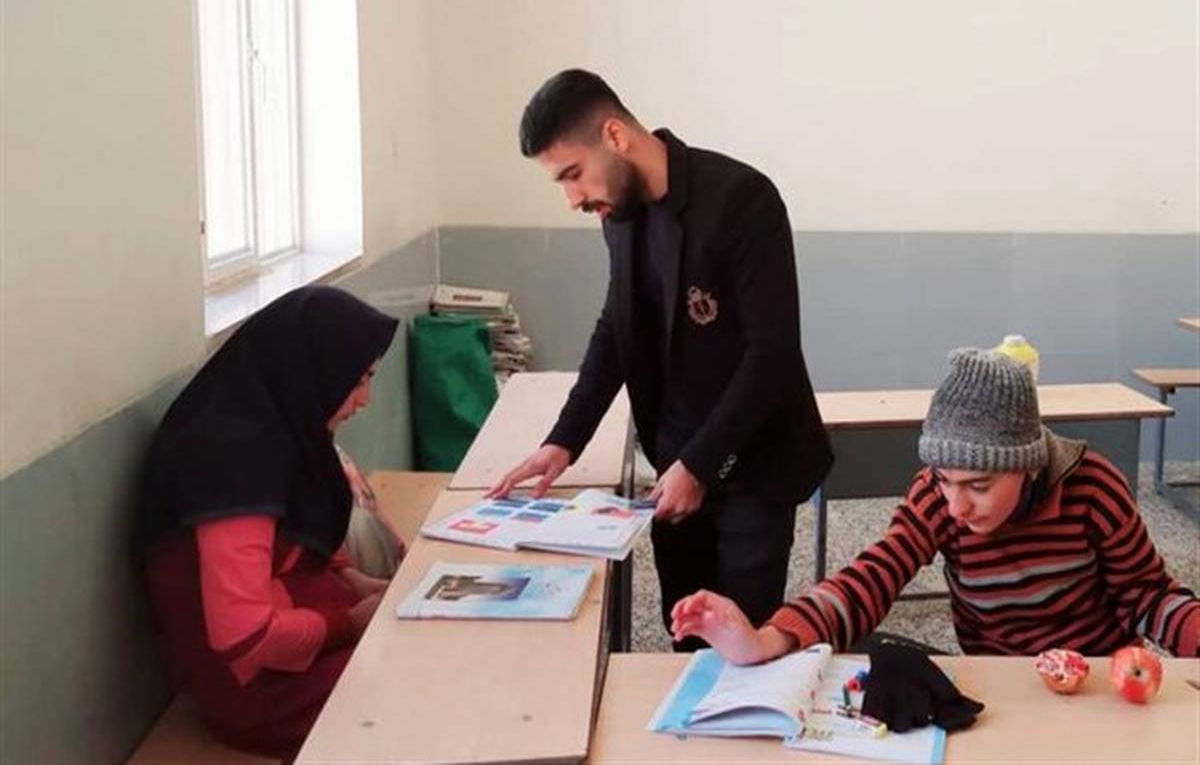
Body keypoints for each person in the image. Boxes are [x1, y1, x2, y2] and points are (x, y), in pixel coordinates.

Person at [488, 69, 833, 645]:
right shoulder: (619, 215)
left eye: (573, 174)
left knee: (741, 640)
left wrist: (698, 465)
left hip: (753, 460)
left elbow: (771, 353)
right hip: (674, 455)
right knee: (684, 626)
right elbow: (615, 329)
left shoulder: (741, 199)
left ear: (615, 135)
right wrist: (563, 441)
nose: (573, 199)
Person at [671, 348, 1200, 665]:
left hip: (1098, 677)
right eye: (945, 480)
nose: (956, 506)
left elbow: (1149, 594)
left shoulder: (1093, 488)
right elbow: (874, 574)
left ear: (1028, 465)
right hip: (1001, 684)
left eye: (979, 485)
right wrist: (768, 639)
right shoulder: (936, 496)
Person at [135, 286, 404, 758]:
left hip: (306, 630)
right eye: (357, 379)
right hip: (265, 690)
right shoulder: (231, 464)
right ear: (314, 368)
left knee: (442, 654)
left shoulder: (276, 423)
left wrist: (353, 580)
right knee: (428, 688)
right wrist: (349, 624)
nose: (365, 399)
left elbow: (299, 538)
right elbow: (245, 638)